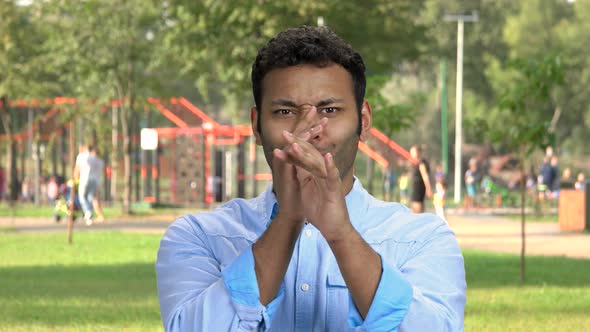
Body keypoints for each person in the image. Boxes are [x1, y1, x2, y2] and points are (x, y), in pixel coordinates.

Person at [156, 26, 466, 331]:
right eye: (285, 113)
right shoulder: (199, 237)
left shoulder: (421, 238)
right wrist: (288, 219)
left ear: (364, 121)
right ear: (257, 126)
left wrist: (341, 234)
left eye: (329, 110)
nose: (310, 130)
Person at [409, 145, 433, 213]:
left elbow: (425, 176)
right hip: (416, 189)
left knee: (417, 212)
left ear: (418, 152)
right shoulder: (416, 162)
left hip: (418, 190)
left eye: (413, 152)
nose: (411, 153)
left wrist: (428, 189)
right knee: (416, 211)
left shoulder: (421, 163)